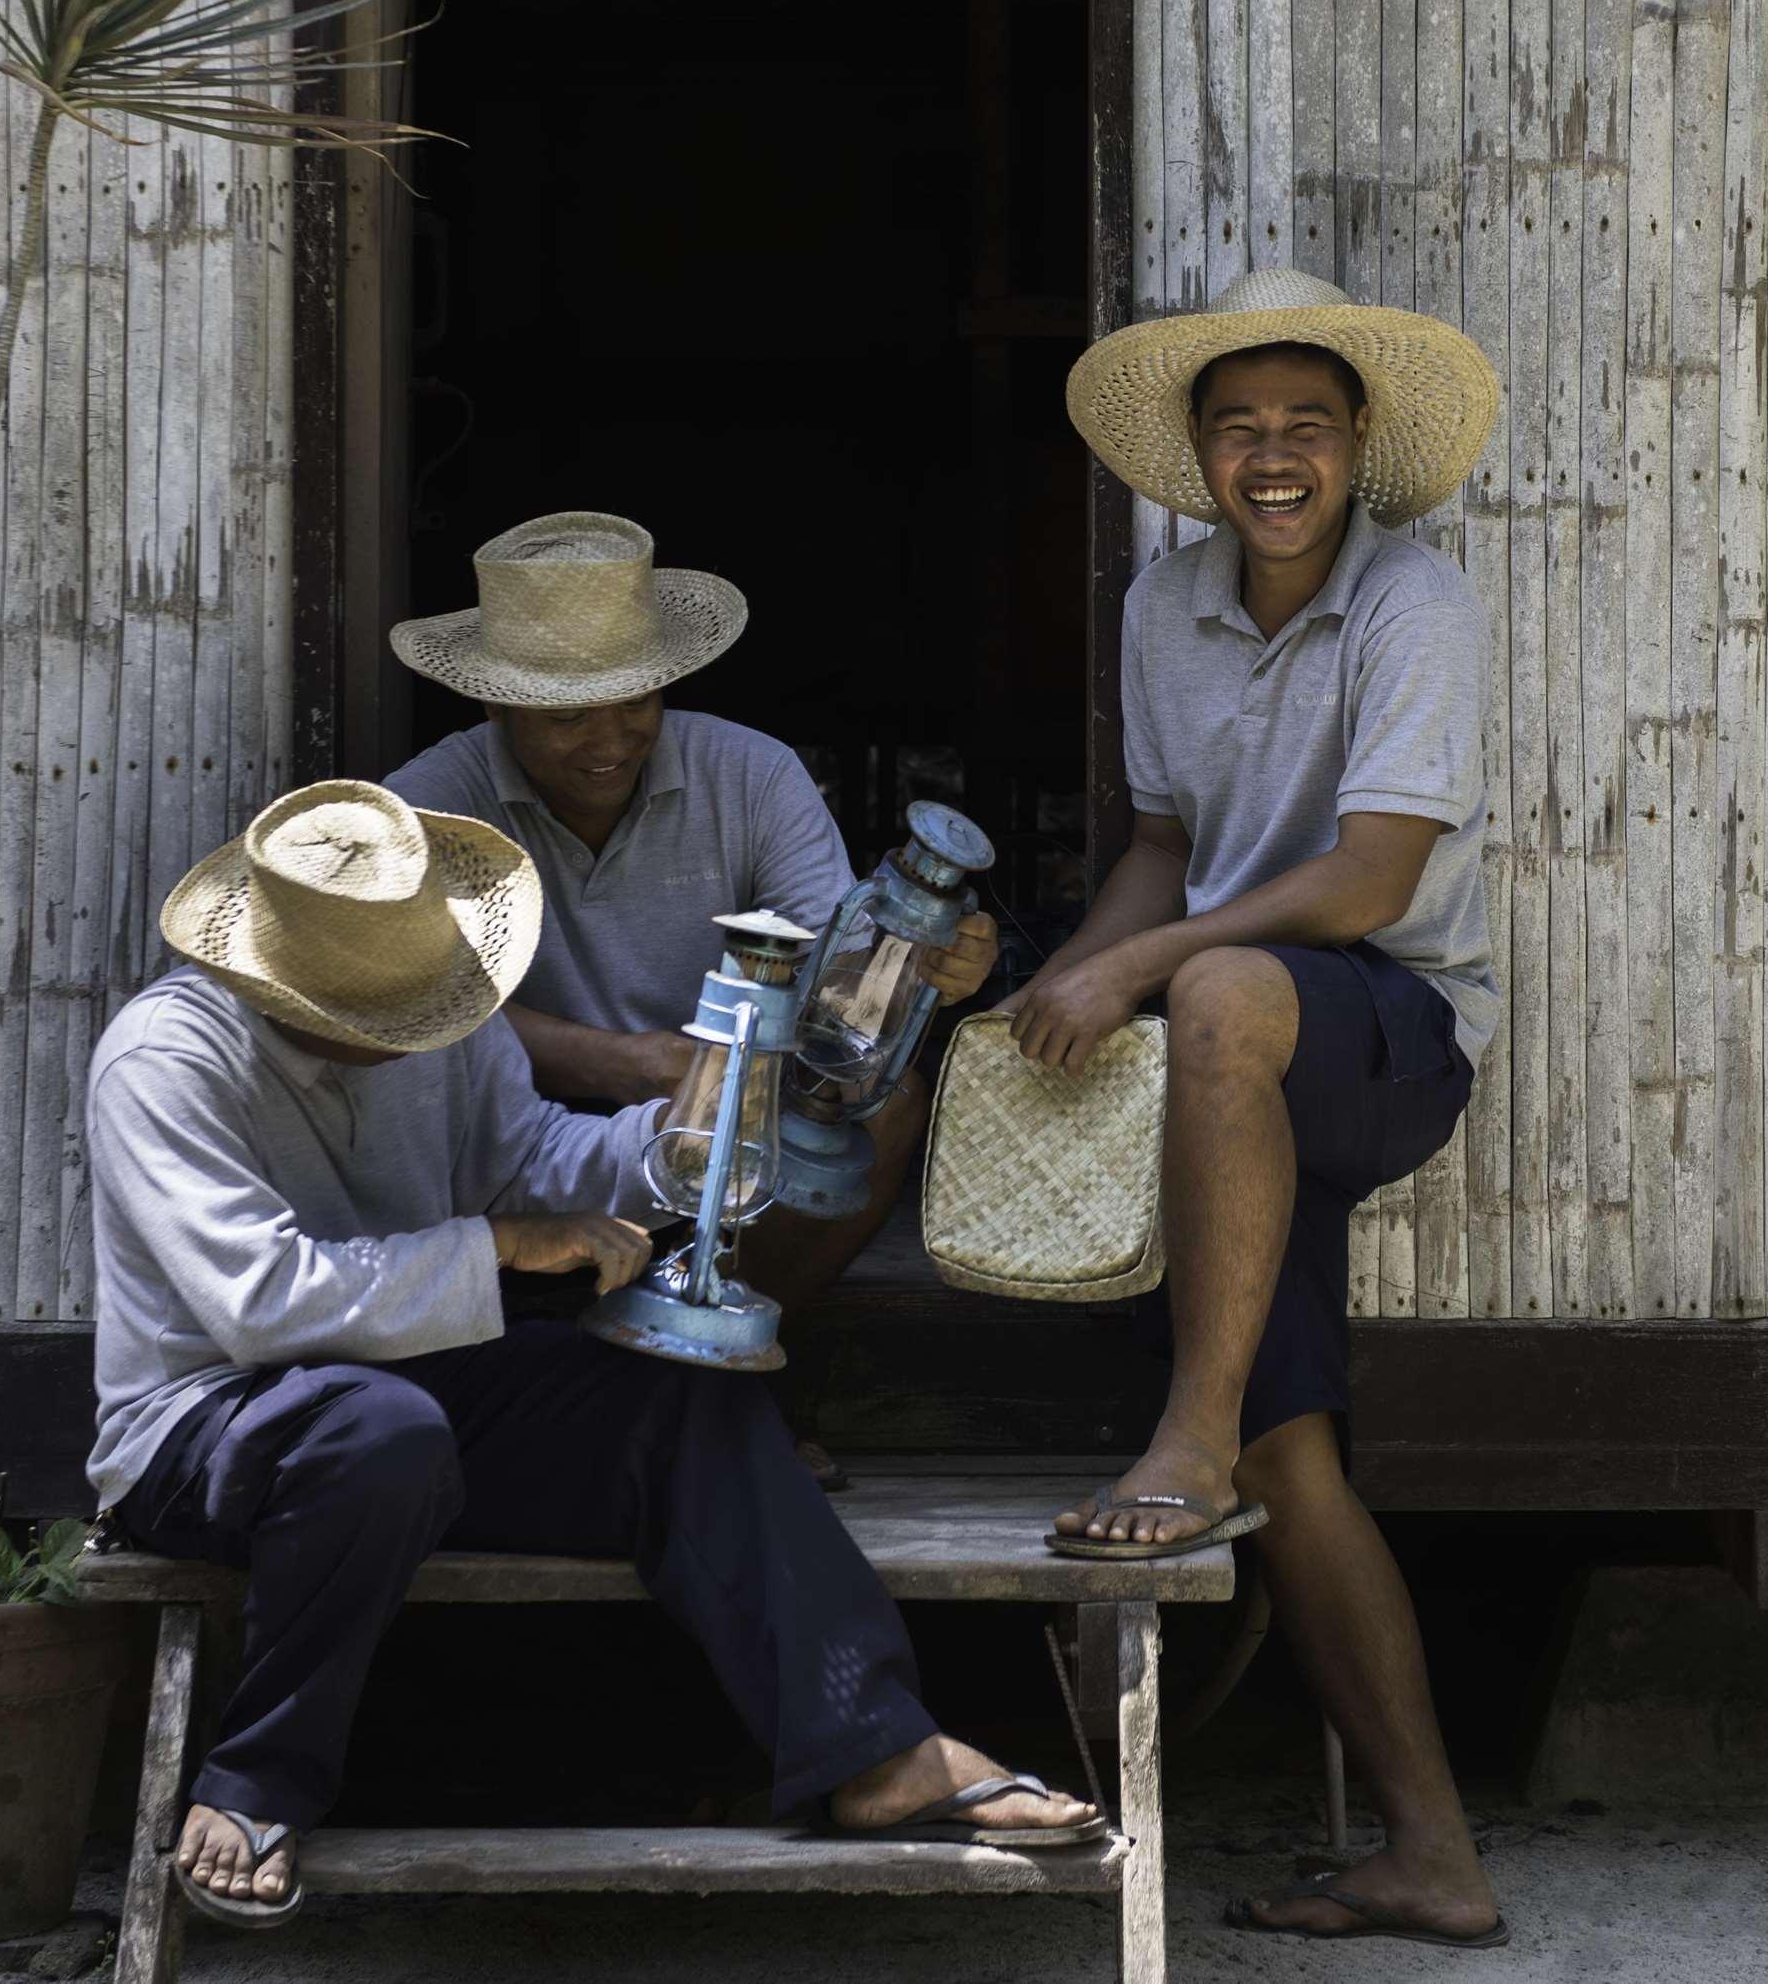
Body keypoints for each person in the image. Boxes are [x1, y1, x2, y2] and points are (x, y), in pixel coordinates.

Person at [85, 779, 1094, 1932]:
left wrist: (682, 1137)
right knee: (378, 1434)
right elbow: (262, 1307)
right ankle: (255, 1779)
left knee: (672, 1387)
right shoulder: (163, 1060)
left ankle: (875, 1748)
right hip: (207, 1425)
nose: (413, 1023)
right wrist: (506, 1245)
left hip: (406, 1386)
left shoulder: (428, 1003)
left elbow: (526, 1158)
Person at [999, 266, 1509, 1950]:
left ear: (1358, 445)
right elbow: (1157, 833)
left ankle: (1182, 1427)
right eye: (1238, 428)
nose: (1270, 454)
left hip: (1382, 1032)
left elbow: (1366, 882)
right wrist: (1061, 986)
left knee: (1214, 992)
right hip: (1231, 1067)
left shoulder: (1413, 599)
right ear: (1198, 455)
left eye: (1303, 424)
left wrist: (1144, 959)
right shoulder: (1163, 607)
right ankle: (1429, 1852)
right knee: (1300, 1456)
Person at [381, 512, 994, 1466]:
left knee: (881, 1106)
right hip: (510, 1106)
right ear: (496, 707)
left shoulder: (749, 773)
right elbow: (413, 1012)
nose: (609, 739)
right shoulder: (429, 797)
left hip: (723, 1095)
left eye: (636, 700)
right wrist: (626, 1061)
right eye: (568, 713)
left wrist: (917, 968)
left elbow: (835, 972)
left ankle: (711, 1388)